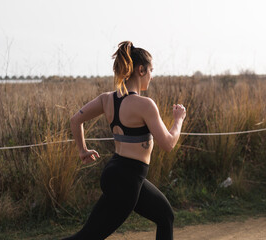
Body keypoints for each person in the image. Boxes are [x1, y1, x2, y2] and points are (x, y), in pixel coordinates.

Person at [63, 41, 186, 240]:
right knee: (87, 237)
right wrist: (178, 119)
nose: (152, 76)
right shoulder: (145, 105)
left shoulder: (107, 99)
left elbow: (76, 120)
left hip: (118, 173)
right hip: (127, 180)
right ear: (141, 70)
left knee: (165, 215)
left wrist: (82, 150)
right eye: (151, 70)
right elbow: (168, 144)